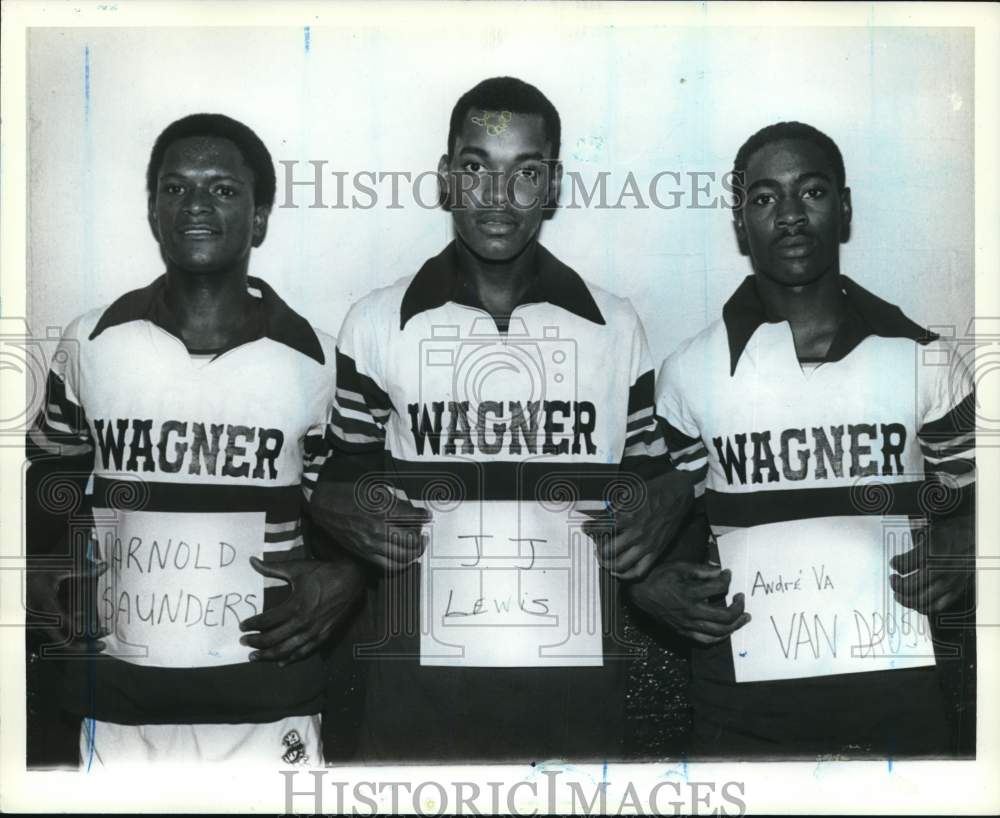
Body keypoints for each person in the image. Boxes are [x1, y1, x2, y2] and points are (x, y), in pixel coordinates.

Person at [310, 76, 691, 761]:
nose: (497, 196)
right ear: (446, 177)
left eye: (525, 172)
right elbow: (343, 476)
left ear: (553, 185)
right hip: (416, 689)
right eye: (476, 167)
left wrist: (670, 496)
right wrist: (334, 504)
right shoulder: (376, 323)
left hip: (573, 687)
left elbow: (649, 479)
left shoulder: (613, 325)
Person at [25, 113, 363, 766]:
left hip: (268, 703)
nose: (196, 204)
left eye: (223, 189)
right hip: (120, 699)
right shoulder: (91, 341)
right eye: (175, 188)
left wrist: (349, 577)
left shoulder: (318, 359)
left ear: (259, 219)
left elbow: (350, 510)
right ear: (154, 213)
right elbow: (50, 476)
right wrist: (41, 559)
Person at [631, 121, 976, 757]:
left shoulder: (924, 358)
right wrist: (652, 586)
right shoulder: (688, 373)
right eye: (764, 198)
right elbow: (670, 527)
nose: (789, 214)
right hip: (741, 708)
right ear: (741, 223)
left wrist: (967, 544)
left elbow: (977, 503)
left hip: (897, 698)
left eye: (811, 191)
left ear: (844, 208)